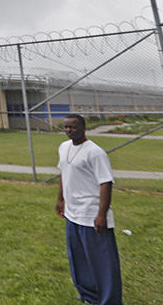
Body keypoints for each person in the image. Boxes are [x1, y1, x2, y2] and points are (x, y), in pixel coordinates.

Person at [56, 114, 122, 305]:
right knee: (78, 259)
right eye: (66, 127)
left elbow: (106, 183)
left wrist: (101, 214)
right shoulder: (63, 147)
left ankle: (109, 300)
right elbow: (63, 173)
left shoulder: (95, 152)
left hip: (90, 214)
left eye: (73, 127)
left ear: (84, 128)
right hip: (72, 214)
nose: (69, 130)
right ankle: (88, 295)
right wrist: (60, 199)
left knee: (103, 262)